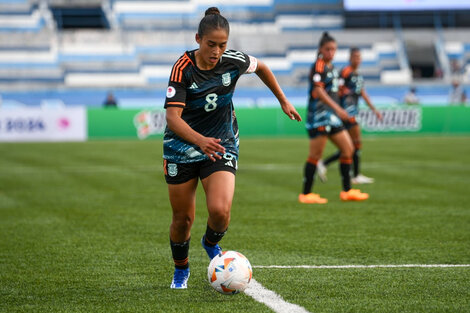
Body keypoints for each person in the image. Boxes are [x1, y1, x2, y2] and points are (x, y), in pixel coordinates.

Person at [163, 7, 301, 289]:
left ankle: (210, 243)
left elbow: (262, 66)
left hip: (222, 142)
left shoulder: (233, 61)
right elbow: (172, 118)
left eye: (222, 45)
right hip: (181, 148)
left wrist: (282, 100)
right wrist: (199, 140)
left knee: (220, 211)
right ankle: (181, 270)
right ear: (198, 39)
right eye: (211, 44)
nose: (216, 51)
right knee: (182, 218)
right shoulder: (182, 68)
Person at [298, 32, 369, 204]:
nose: (331, 52)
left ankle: (347, 191)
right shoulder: (319, 66)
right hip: (319, 117)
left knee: (348, 149)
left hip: (333, 118)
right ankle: (306, 194)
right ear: (321, 49)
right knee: (315, 155)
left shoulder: (332, 68)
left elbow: (335, 91)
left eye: (334, 49)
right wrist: (338, 108)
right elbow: (318, 91)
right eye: (328, 49)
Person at [317, 47, 383, 184]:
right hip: (347, 113)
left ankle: (325, 163)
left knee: (351, 146)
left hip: (353, 111)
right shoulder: (345, 72)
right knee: (355, 143)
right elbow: (337, 90)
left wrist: (374, 109)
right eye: (355, 57)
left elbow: (362, 93)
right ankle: (355, 175)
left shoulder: (357, 75)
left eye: (359, 57)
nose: (358, 60)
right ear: (350, 58)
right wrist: (339, 110)